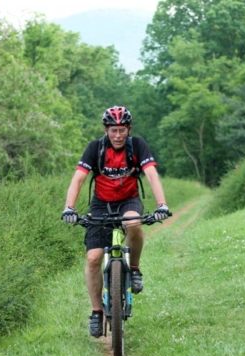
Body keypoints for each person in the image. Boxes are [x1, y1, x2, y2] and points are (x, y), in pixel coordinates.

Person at [61, 106, 170, 338]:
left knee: (133, 223)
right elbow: (79, 179)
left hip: (128, 201)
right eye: (113, 130)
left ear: (128, 129)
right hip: (101, 204)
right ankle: (96, 312)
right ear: (106, 130)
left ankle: (134, 268)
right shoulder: (95, 148)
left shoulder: (137, 145)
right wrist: (69, 208)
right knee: (93, 258)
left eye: (122, 130)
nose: (118, 135)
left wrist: (161, 205)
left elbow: (151, 174)